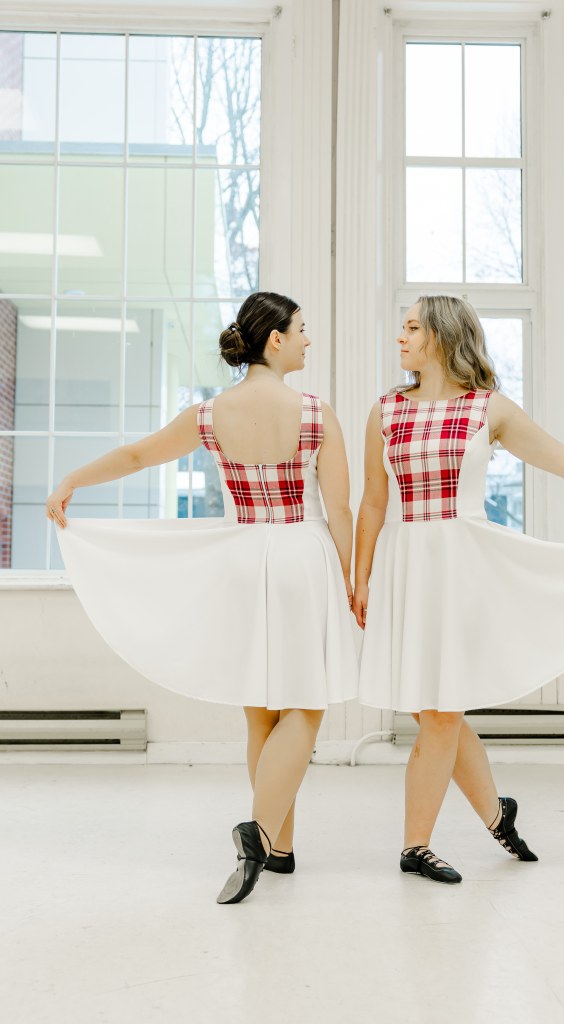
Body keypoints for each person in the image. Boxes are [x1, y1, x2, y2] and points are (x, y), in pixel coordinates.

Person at [47, 291, 358, 905]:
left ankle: (280, 849)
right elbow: (341, 509)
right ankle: (259, 831)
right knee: (305, 704)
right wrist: (354, 580)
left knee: (258, 710)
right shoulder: (317, 413)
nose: (306, 340)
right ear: (274, 340)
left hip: (241, 557)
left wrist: (73, 479)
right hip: (300, 555)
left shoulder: (210, 414)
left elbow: (138, 455)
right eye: (300, 330)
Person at [353, 295, 564, 884]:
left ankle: (415, 846)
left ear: (441, 336)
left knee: (441, 713)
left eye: (412, 327)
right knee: (433, 708)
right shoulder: (384, 410)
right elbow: (372, 500)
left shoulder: (486, 408)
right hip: (407, 565)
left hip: (464, 567)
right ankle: (497, 814)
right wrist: (361, 576)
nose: (401, 337)